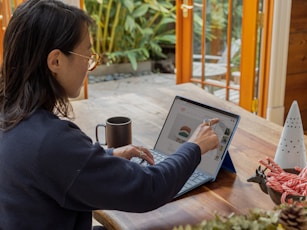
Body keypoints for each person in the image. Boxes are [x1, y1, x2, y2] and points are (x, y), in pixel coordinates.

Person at [0, 0, 219, 229]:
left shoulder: (10, 115)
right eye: (87, 56)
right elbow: (148, 188)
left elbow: (51, 168)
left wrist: (107, 156)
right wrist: (195, 146)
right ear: (55, 61)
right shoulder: (50, 140)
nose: (88, 67)